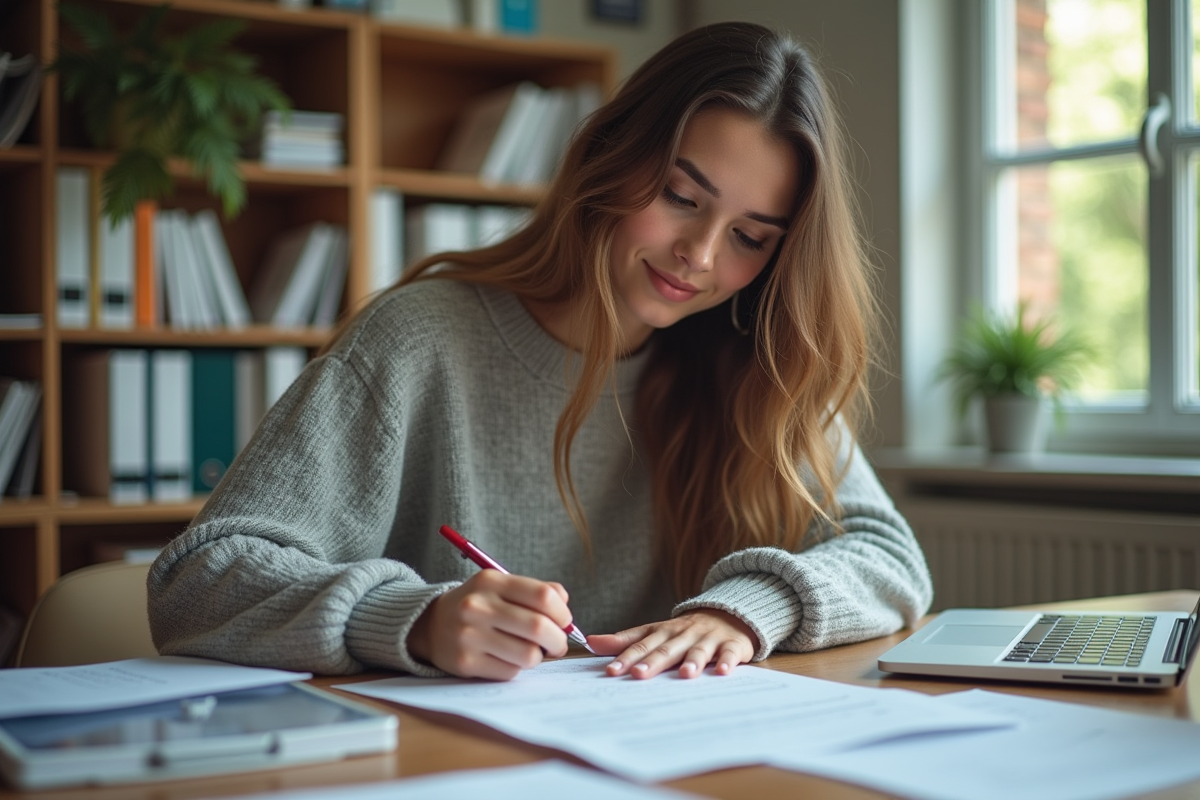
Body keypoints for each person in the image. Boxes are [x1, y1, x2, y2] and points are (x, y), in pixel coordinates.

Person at [148, 21, 933, 682]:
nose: (699, 254)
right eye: (680, 198)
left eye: (749, 237)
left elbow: (892, 560)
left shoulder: (750, 362)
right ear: (609, 157)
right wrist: (412, 619)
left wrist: (748, 607)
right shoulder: (419, 340)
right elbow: (197, 583)